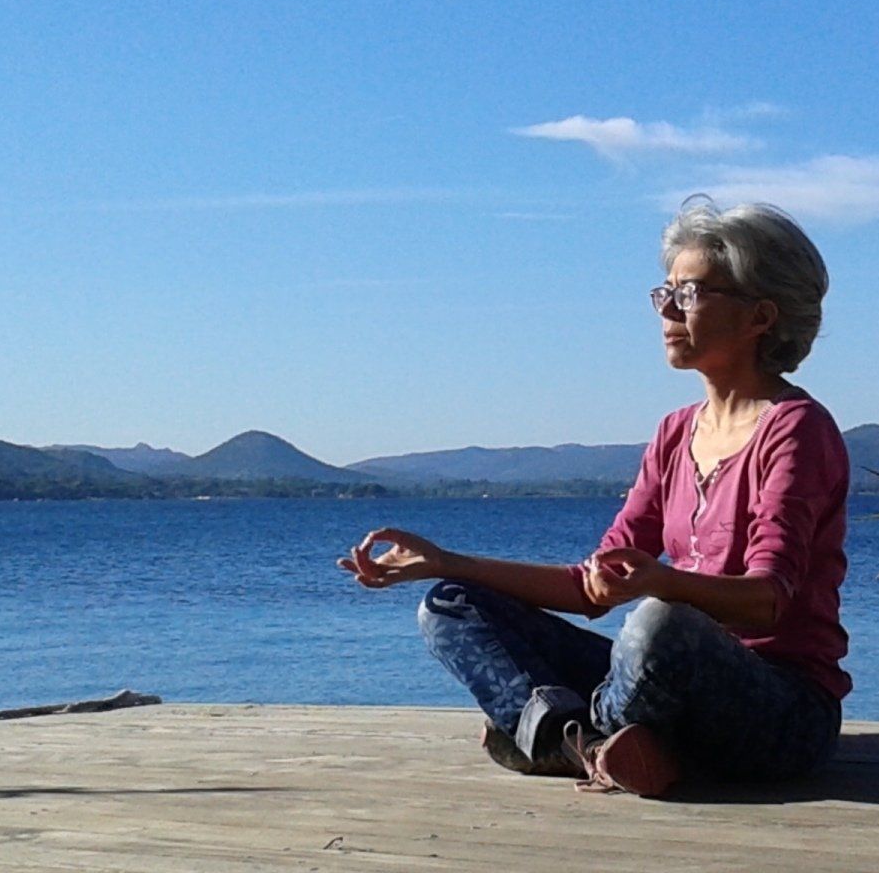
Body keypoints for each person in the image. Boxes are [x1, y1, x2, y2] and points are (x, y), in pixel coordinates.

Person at [338, 199, 850, 798]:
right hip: (666, 689)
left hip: (783, 714)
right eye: (663, 291)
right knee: (450, 604)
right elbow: (592, 588)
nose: (666, 307)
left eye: (689, 292)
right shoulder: (674, 433)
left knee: (660, 626)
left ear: (760, 315)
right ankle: (599, 747)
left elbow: (767, 603)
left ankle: (554, 739)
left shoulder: (796, 429)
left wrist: (660, 583)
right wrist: (447, 561)